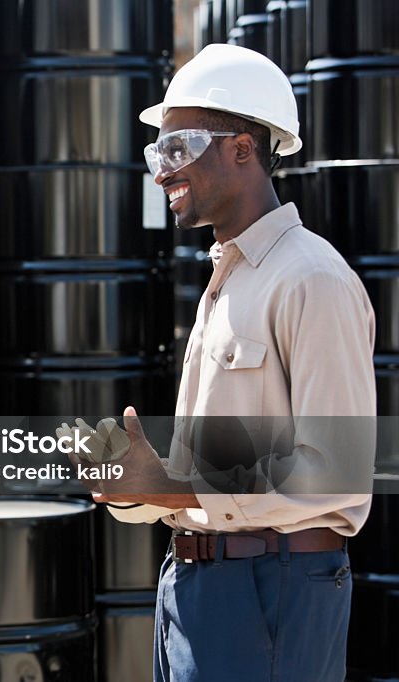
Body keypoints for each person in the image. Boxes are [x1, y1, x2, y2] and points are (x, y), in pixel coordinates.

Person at [71, 44, 376, 681]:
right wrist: (138, 487)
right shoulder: (228, 279)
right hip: (202, 588)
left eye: (177, 149)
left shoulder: (312, 279)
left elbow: (336, 469)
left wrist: (177, 485)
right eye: (159, 153)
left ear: (242, 148)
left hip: (273, 592)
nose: (161, 173)